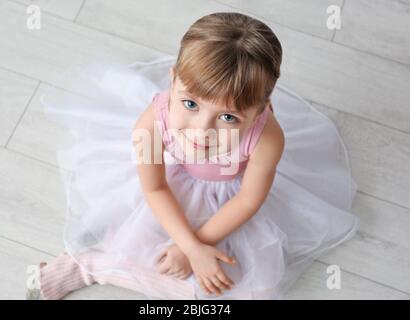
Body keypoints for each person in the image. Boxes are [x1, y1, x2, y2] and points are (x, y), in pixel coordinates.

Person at [28, 12, 359, 300]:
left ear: (261, 112)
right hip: (167, 188)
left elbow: (247, 201)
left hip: (229, 201)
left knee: (259, 292)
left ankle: (110, 266)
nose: (202, 132)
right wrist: (191, 248)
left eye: (228, 118)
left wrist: (198, 247)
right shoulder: (150, 125)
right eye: (190, 104)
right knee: (132, 240)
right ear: (173, 82)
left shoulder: (268, 139)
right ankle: (88, 266)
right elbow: (154, 188)